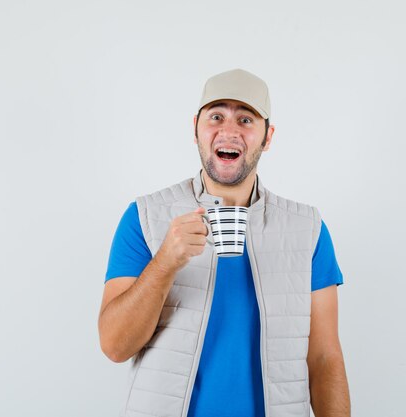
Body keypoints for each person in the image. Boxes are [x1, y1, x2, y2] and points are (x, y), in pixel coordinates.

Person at [98, 68, 350, 417]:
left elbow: (324, 359)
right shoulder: (144, 218)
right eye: (216, 116)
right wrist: (165, 262)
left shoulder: (307, 229)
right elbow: (114, 346)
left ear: (268, 136)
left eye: (246, 119)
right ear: (196, 128)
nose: (228, 130)